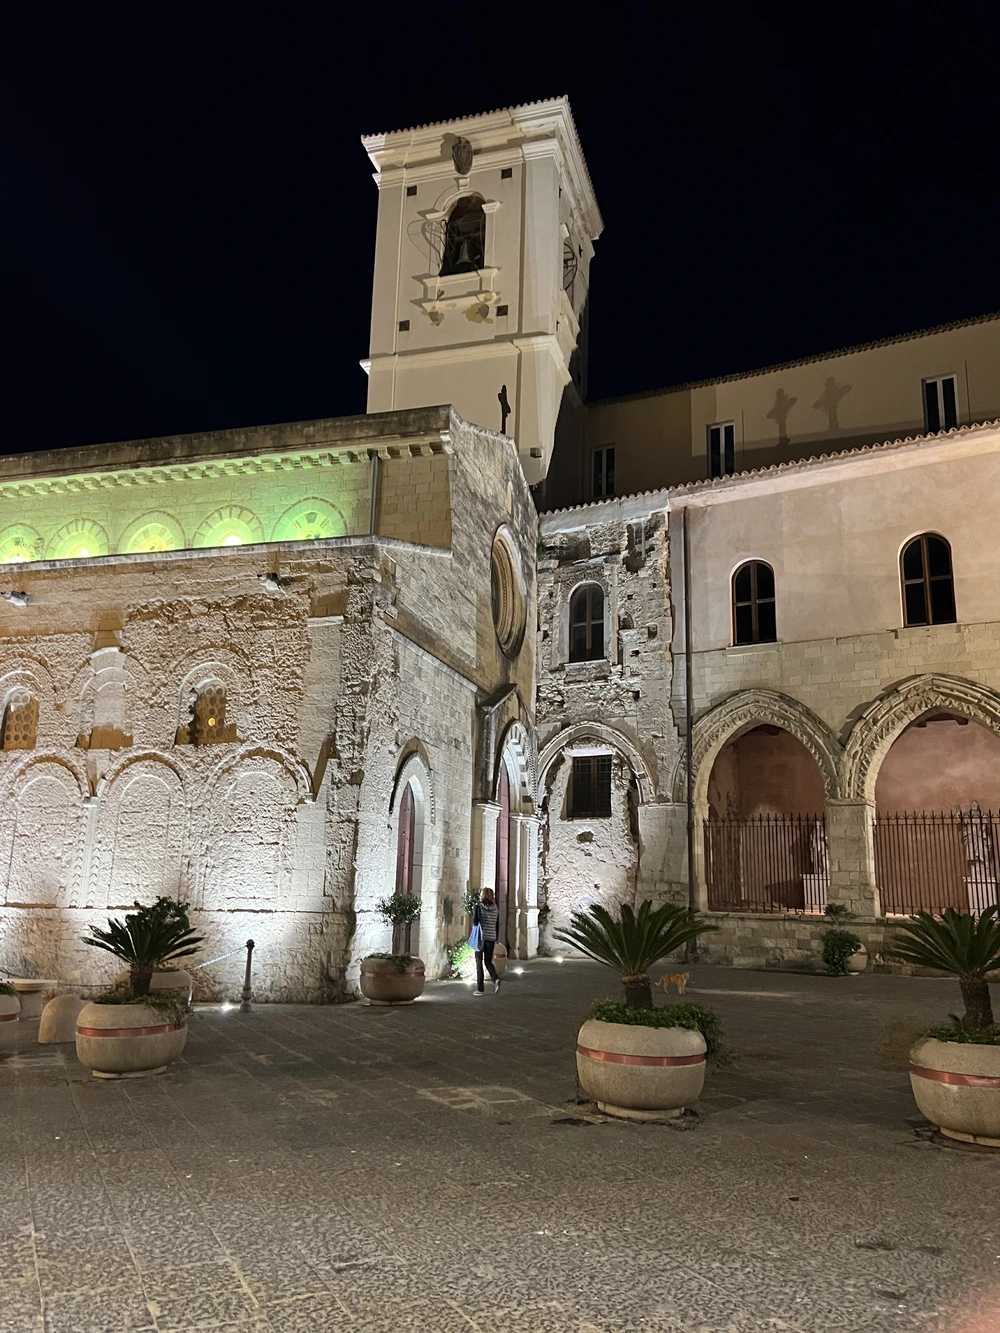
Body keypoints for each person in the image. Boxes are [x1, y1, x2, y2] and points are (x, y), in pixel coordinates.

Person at [472, 887, 502, 996]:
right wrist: (496, 937)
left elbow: (475, 922)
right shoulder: (495, 908)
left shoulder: (479, 906)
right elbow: (497, 924)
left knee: (479, 963)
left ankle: (480, 989)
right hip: (491, 937)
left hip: (480, 938)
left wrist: (474, 912)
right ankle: (495, 978)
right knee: (488, 961)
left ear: (483, 895)